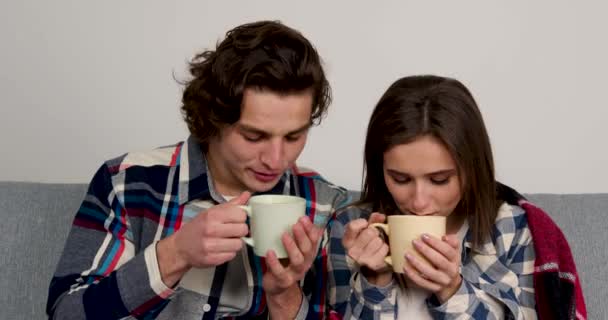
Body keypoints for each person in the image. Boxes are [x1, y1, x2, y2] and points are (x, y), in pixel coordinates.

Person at [47, 20, 349, 319]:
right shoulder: (128, 183)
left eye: (294, 136)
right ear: (213, 117)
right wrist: (175, 253)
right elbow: (67, 313)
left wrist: (284, 295)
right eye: (254, 136)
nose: (276, 159)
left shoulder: (325, 205)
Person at [327, 75, 586, 319]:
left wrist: (452, 290)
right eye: (400, 179)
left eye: (440, 180)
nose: (419, 202)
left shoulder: (514, 231)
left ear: (472, 168)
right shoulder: (350, 227)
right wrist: (374, 280)